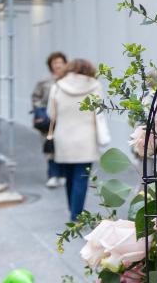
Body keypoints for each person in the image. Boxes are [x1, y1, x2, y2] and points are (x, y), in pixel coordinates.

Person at [48, 58, 106, 222]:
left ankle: (73, 210)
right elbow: (99, 114)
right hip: (86, 138)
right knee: (81, 177)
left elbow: (51, 114)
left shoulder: (57, 86)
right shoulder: (95, 86)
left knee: (69, 176)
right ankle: (76, 214)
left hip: (63, 138)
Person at [32, 51, 68, 189]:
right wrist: (39, 111)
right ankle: (53, 175)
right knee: (50, 148)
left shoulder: (69, 81)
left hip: (65, 119)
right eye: (54, 63)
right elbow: (36, 97)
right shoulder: (44, 81)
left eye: (60, 62)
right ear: (50, 65)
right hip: (48, 120)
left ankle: (63, 175)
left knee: (63, 147)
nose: (57, 65)